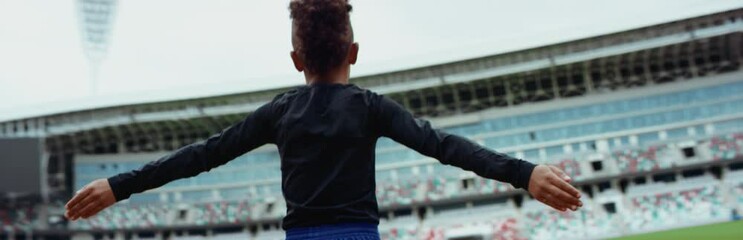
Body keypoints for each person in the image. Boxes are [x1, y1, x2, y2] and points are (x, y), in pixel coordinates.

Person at [64, 0, 582, 239]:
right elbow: (444, 146)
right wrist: (523, 172)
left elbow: (200, 156)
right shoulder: (369, 106)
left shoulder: (280, 112)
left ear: (295, 61)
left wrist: (119, 186)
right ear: (353, 51)